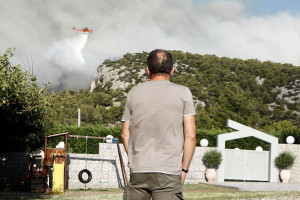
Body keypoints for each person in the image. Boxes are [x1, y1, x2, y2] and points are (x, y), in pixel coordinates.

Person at [121, 49, 196, 200]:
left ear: (148, 70)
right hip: (168, 172)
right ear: (172, 70)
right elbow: (191, 136)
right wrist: (184, 169)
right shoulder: (184, 93)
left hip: (138, 171)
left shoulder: (134, 93)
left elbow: (125, 133)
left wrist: (135, 159)